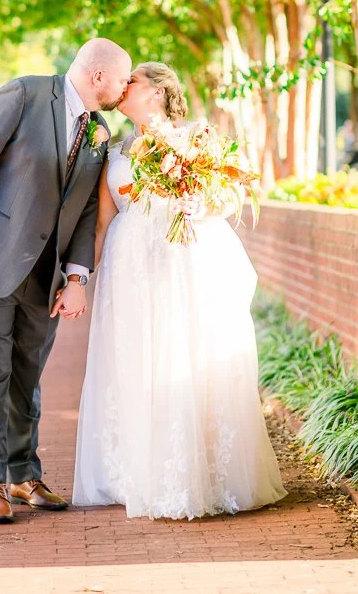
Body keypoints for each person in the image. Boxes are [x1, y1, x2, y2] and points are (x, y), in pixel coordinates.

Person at [73, 61, 287, 520]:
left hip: (185, 260)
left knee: (187, 353)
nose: (122, 85)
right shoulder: (112, 148)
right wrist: (76, 279)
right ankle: (138, 472)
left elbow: (230, 196)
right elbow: (104, 219)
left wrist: (202, 203)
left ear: (157, 92)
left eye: (132, 81)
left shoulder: (197, 138)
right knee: (136, 360)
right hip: (129, 268)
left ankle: (204, 472)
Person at [0, 38, 132, 523]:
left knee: (26, 378)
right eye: (124, 79)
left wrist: (78, 276)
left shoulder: (99, 132)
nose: (126, 89)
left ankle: (24, 476)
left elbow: (87, 209)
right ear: (99, 76)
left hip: (45, 279)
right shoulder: (23, 95)